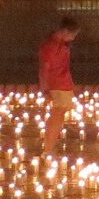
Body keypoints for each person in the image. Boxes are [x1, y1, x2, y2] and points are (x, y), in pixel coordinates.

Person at [39, 16, 81, 158]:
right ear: (65, 31)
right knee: (56, 118)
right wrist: (45, 89)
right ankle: (48, 150)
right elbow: (44, 69)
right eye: (72, 35)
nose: (73, 39)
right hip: (56, 86)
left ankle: (49, 148)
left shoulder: (61, 45)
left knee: (58, 117)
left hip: (64, 84)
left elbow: (64, 66)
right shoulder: (50, 46)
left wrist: (71, 84)